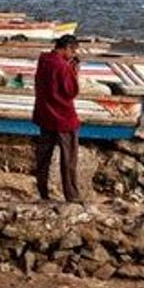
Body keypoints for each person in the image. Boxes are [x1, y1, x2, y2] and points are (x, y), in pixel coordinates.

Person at [32, 34, 83, 203]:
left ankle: (42, 192)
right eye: (73, 51)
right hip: (63, 117)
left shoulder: (44, 60)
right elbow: (71, 91)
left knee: (43, 158)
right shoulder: (63, 67)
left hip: (45, 114)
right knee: (68, 160)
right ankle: (72, 195)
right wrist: (74, 71)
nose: (74, 55)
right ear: (67, 48)